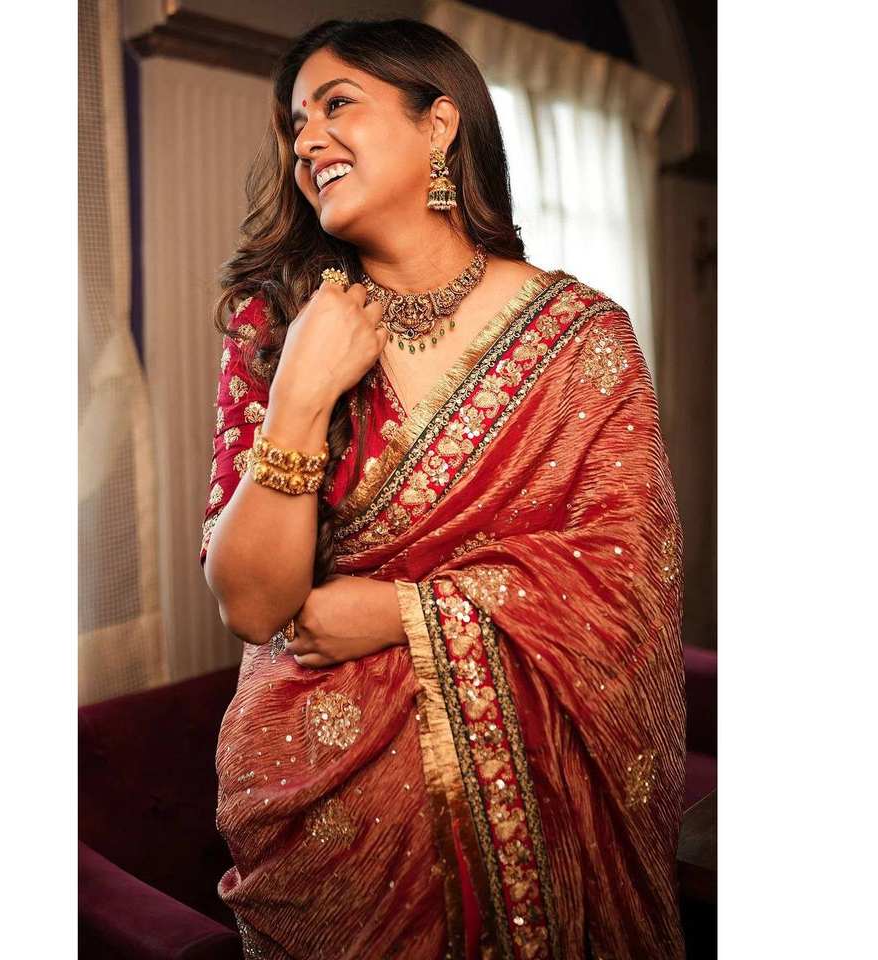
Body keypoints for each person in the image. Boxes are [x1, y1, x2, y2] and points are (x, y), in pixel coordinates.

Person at [200, 18, 686, 960]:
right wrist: (300, 396)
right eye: (297, 123)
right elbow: (254, 606)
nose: (306, 141)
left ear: (439, 123)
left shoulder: (581, 338)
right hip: (328, 824)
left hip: (543, 811)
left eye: (337, 105)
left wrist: (405, 613)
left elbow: (624, 584)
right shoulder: (278, 324)